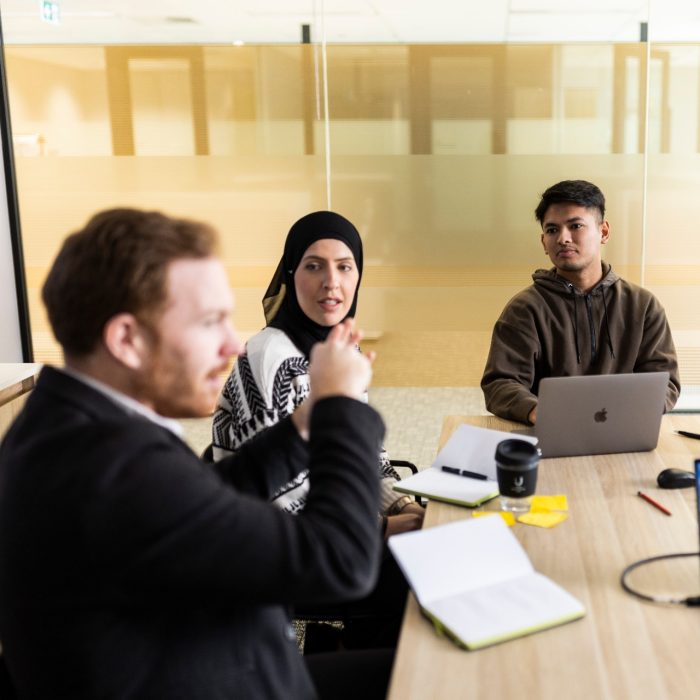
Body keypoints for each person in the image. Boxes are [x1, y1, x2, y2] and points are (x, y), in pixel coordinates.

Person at [0, 208, 394, 699]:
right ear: (126, 339)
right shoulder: (115, 472)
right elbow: (341, 561)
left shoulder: (71, 421)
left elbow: (204, 499)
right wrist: (341, 407)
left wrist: (302, 424)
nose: (234, 344)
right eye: (210, 322)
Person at [211, 210, 423, 650]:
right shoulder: (271, 356)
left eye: (345, 267)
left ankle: (352, 650)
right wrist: (381, 528)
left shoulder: (336, 346)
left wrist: (401, 503)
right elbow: (277, 496)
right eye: (314, 266)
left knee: (435, 541)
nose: (332, 282)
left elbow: (367, 456)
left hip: (339, 527)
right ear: (291, 275)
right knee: (424, 575)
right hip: (287, 552)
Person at [481, 179, 680, 425]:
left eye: (575, 226)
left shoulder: (643, 305)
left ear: (603, 232)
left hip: (624, 431)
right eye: (552, 230)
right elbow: (500, 383)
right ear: (544, 241)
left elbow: (665, 382)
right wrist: (537, 411)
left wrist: (619, 414)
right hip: (550, 432)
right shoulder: (525, 309)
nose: (563, 238)